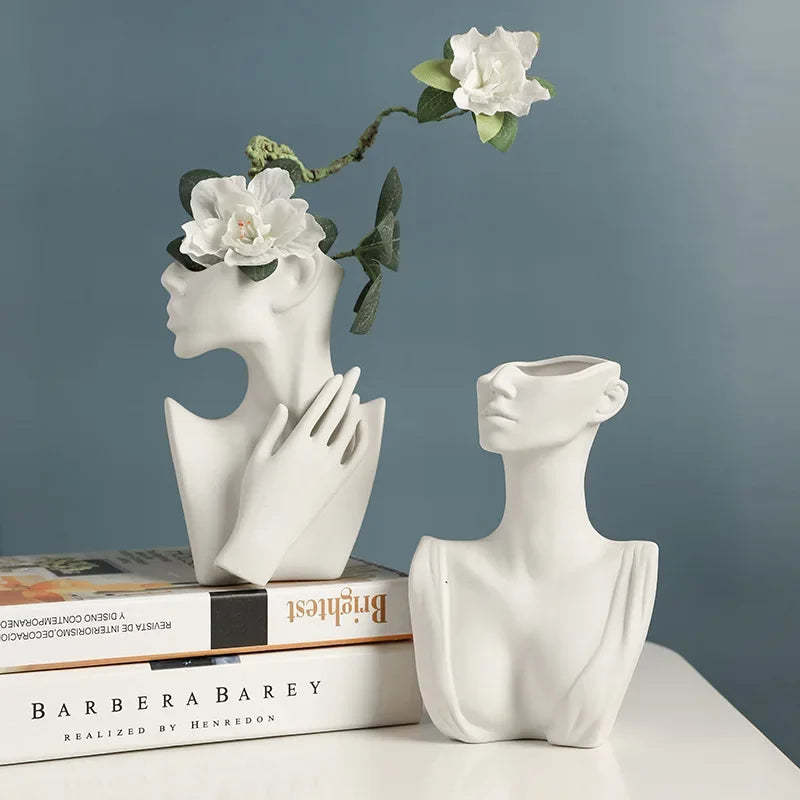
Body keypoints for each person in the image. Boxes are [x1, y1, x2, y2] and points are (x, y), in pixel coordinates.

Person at [410, 356, 657, 747]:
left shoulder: (631, 571)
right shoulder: (436, 569)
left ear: (607, 400)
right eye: (492, 375)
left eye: (534, 377)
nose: (496, 382)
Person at [161, 248, 384, 586]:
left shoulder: (363, 432)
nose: (169, 277)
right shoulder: (189, 437)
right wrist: (267, 527)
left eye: (205, 257)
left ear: (295, 275)